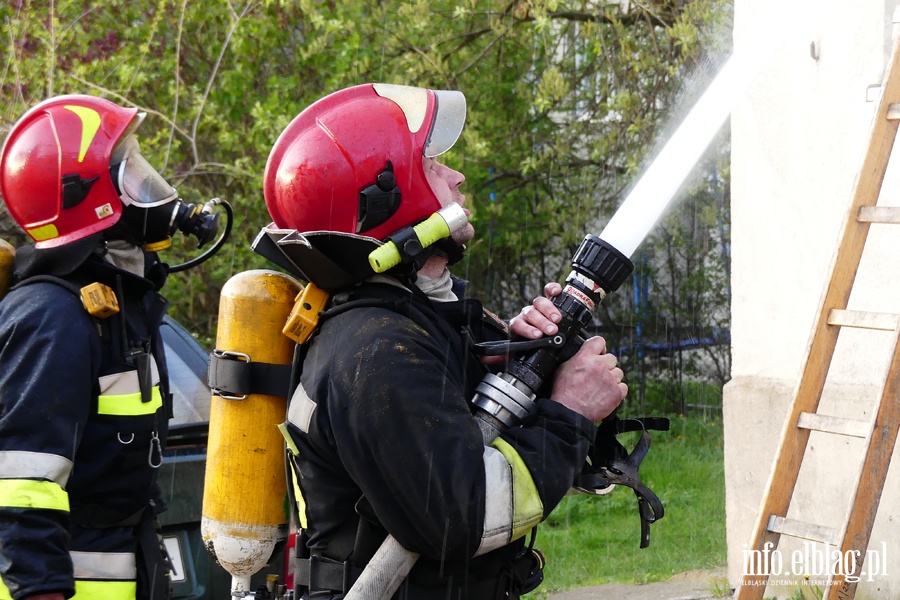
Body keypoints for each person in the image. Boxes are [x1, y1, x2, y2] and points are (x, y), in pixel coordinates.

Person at [260, 83, 627, 600]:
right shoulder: (377, 352)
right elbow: (466, 517)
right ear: (388, 199)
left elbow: (474, 443)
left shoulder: (421, 322)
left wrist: (530, 367)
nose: (457, 177)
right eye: (433, 167)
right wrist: (569, 414)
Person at [0, 95, 222, 600]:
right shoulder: (51, 318)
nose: (150, 185)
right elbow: (20, 487)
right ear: (87, 196)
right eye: (129, 172)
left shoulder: (120, 307)